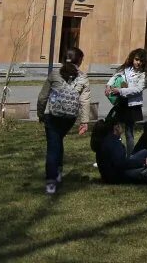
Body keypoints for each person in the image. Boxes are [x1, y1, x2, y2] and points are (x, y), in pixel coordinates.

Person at [36, 47, 91, 195]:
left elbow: (42, 97)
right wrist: (84, 122)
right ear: (79, 60)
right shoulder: (83, 77)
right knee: (58, 141)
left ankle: (51, 181)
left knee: (53, 146)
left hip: (53, 115)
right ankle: (59, 171)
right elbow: (84, 101)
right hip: (69, 117)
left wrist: (40, 114)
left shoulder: (54, 74)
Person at [106, 47, 147, 151]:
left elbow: (137, 89)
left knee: (129, 132)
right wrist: (108, 85)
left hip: (132, 105)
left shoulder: (143, 75)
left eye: (141, 61)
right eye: (136, 59)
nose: (138, 62)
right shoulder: (126, 69)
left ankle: (130, 155)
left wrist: (120, 91)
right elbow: (115, 76)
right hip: (121, 103)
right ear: (132, 58)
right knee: (114, 127)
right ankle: (116, 151)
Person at [91, 119, 147, 185]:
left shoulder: (109, 138)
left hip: (111, 174)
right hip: (117, 177)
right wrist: (143, 162)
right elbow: (121, 164)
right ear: (116, 127)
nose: (122, 127)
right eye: (121, 125)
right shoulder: (113, 142)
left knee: (145, 152)